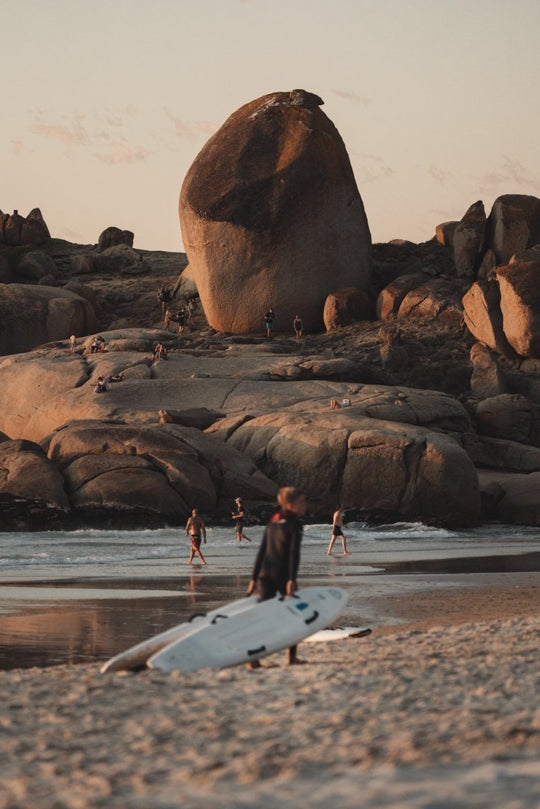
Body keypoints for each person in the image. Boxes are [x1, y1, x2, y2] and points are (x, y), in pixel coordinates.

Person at [247, 487, 307, 666]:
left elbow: (262, 551)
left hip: (265, 575)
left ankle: (254, 659)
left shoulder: (272, 522)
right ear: (290, 504)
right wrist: (292, 579)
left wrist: (253, 578)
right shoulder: (295, 523)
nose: (304, 505)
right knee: (294, 615)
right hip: (283, 576)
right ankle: (292, 657)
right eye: (301, 502)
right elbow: (293, 553)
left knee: (262, 618)